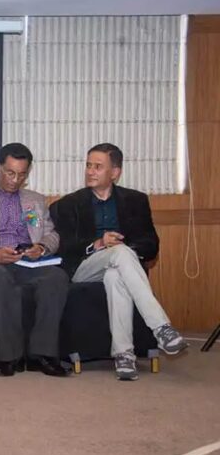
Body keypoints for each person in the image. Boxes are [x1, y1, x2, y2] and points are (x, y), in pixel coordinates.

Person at [52, 143, 188, 381]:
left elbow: (151, 244)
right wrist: (98, 243)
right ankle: (161, 328)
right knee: (120, 254)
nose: (90, 171)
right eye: (88, 165)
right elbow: (64, 247)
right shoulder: (68, 204)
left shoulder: (135, 200)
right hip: (84, 267)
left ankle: (124, 355)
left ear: (115, 172)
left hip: (120, 264)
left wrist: (124, 249)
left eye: (98, 167)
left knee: (116, 273)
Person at [0, 142, 71, 377]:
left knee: (57, 277)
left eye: (21, 175)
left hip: (27, 263)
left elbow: (52, 235)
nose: (15, 180)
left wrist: (41, 247)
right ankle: (10, 357)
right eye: (10, 173)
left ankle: (42, 354)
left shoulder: (36, 200)